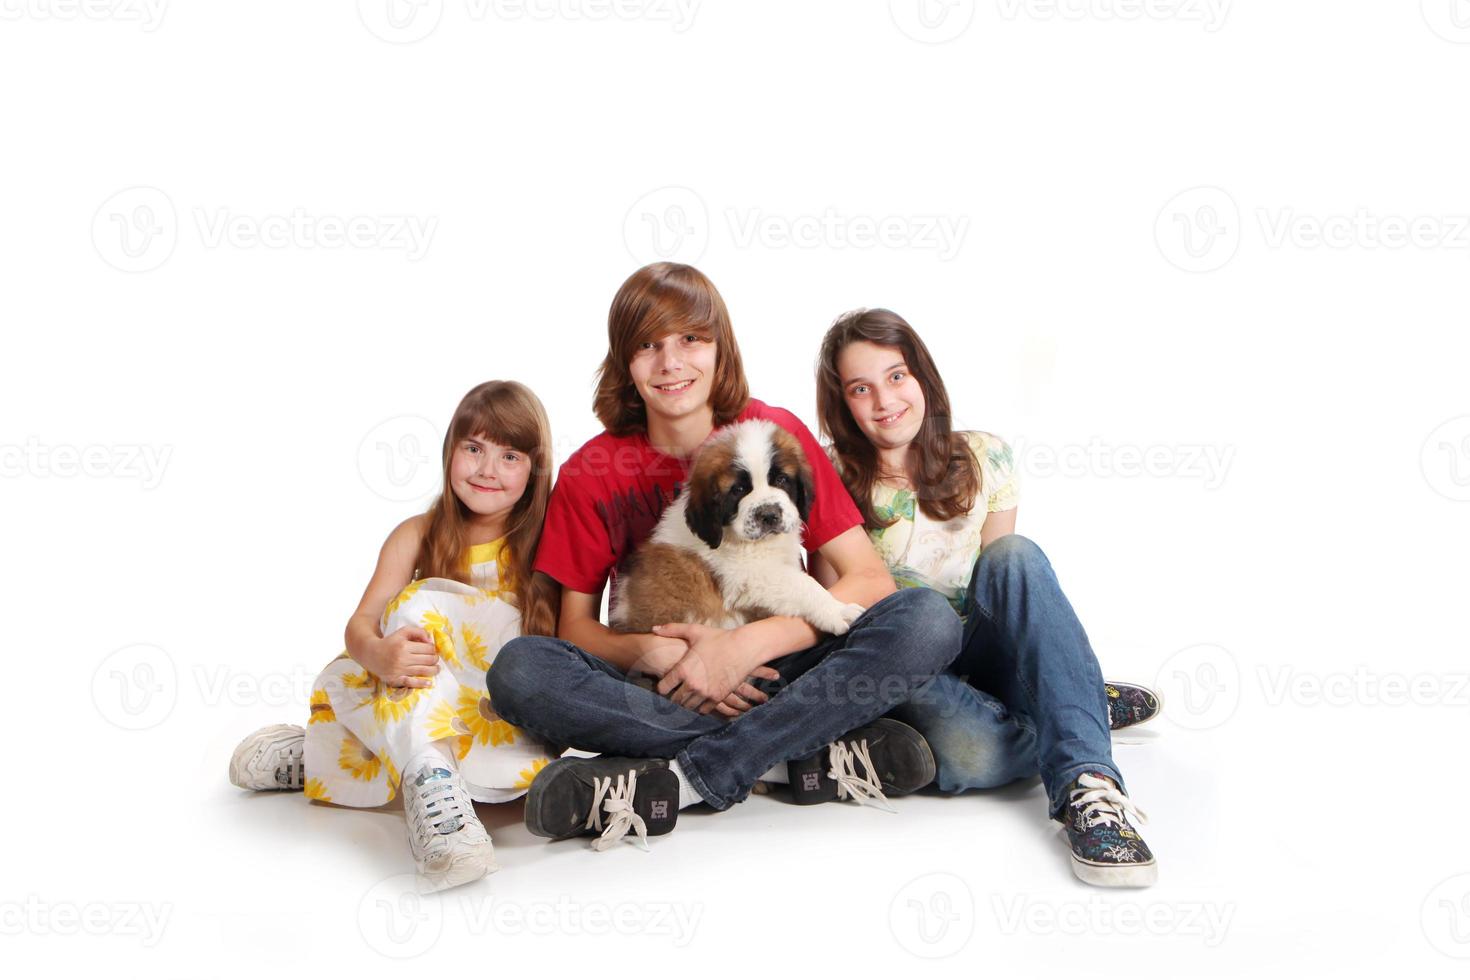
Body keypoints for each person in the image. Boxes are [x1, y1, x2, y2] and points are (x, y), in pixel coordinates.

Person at [485, 263, 960, 850]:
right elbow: (575, 628)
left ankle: (682, 777)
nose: (671, 363)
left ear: (720, 348)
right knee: (520, 669)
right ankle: (792, 759)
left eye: (690, 339)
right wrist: (664, 655)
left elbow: (867, 578)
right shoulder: (591, 472)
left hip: (786, 665)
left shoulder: (775, 431)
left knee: (927, 620)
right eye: (648, 346)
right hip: (666, 682)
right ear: (623, 363)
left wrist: (745, 647)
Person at [813, 308, 1160, 888]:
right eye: (860, 388)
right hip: (908, 661)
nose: (884, 400)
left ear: (922, 376)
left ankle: (1087, 783)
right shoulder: (828, 474)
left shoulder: (984, 455)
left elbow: (1011, 592)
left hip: (980, 636)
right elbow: (833, 604)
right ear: (842, 402)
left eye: (897, 376)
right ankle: (1072, 702)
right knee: (976, 758)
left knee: (1016, 555)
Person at [228, 381, 562, 890]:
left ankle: (357, 759)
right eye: (473, 448)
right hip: (417, 684)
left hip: (492, 703)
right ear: (450, 450)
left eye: (510, 456)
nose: (487, 469)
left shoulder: (545, 541)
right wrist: (380, 654)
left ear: (535, 469)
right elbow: (361, 623)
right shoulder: (417, 533)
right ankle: (429, 791)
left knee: (421, 603)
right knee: (407, 618)